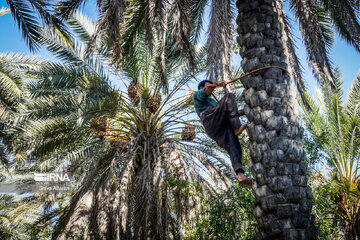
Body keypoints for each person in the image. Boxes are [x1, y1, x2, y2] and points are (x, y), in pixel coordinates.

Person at [194, 80, 253, 186]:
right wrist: (217, 84)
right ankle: (236, 128)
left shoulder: (212, 101)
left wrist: (244, 111)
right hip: (209, 119)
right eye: (208, 85)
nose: (211, 89)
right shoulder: (198, 95)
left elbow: (230, 112)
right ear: (201, 87)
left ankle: (240, 174)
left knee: (234, 147)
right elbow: (206, 91)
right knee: (229, 96)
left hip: (219, 126)